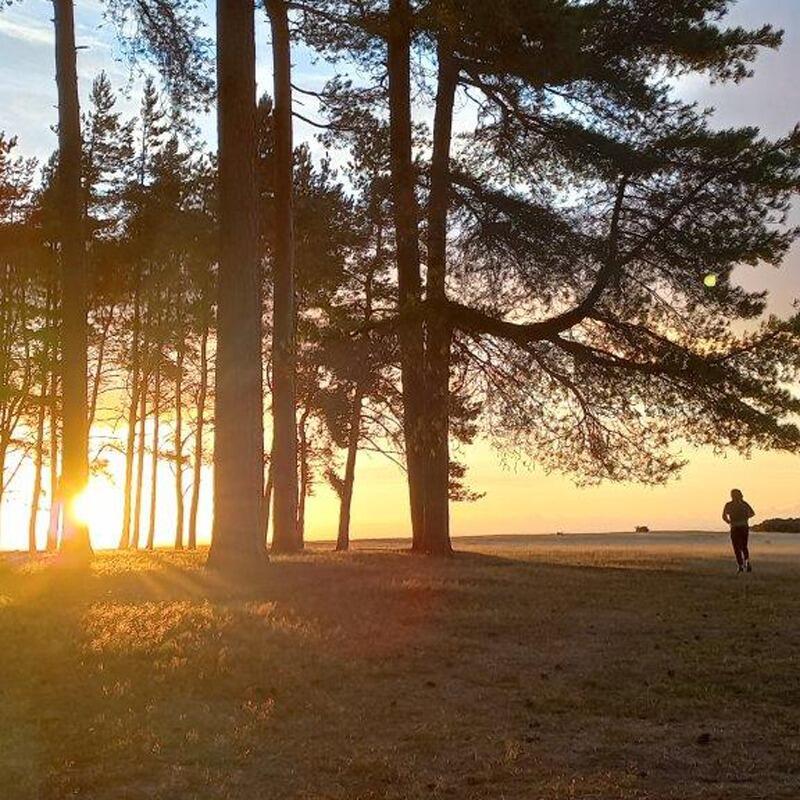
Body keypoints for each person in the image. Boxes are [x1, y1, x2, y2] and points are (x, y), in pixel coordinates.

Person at [722, 489, 755, 573]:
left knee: (736, 547)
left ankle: (740, 565)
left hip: (734, 527)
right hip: (744, 526)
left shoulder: (729, 505)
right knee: (744, 546)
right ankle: (747, 561)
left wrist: (728, 521)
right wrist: (746, 517)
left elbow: (724, 516)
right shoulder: (744, 504)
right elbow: (752, 513)